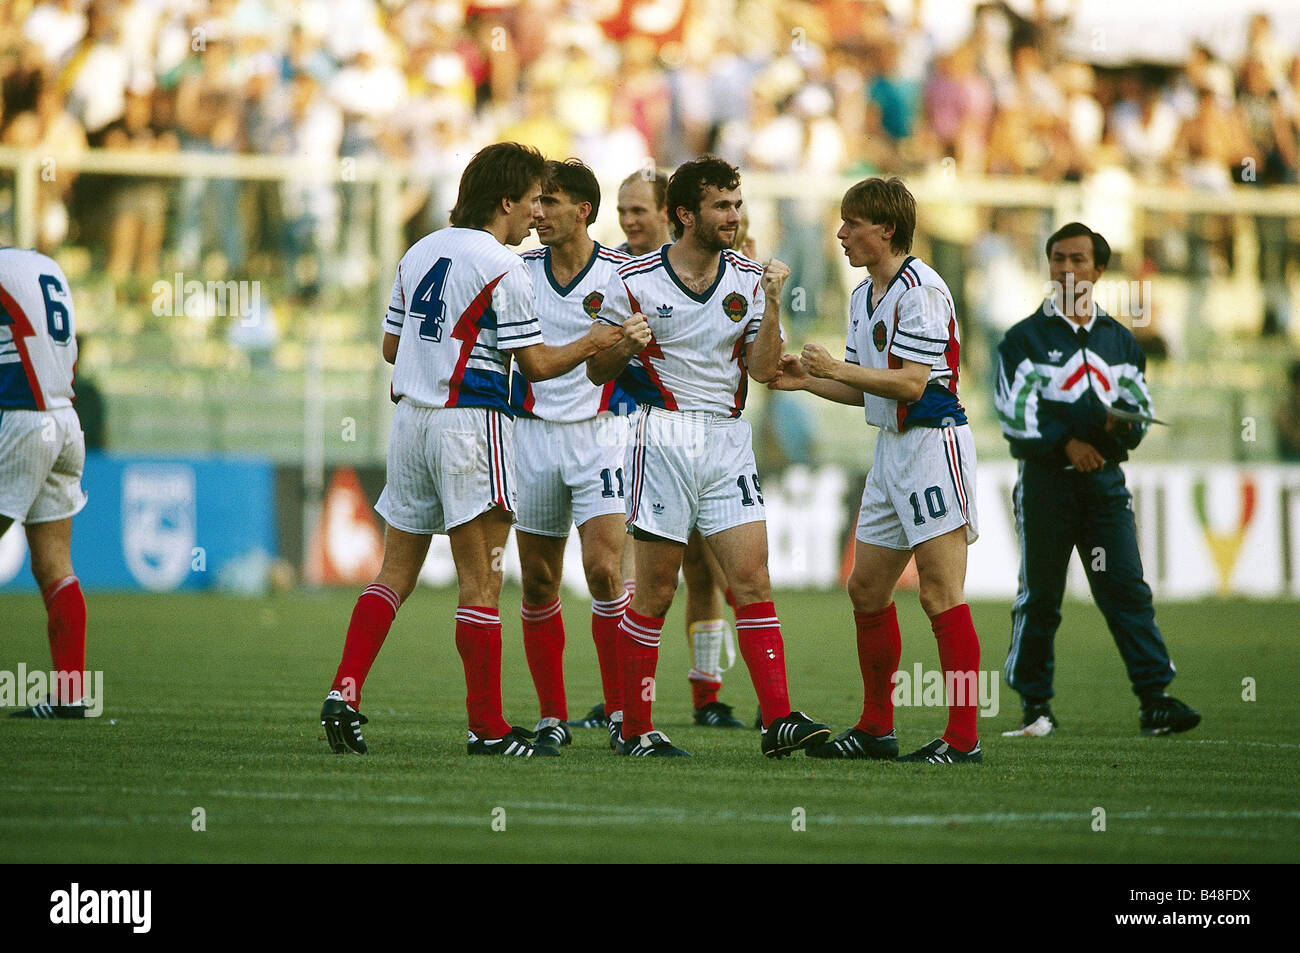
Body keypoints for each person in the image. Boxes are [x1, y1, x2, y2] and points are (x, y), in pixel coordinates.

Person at [318, 142, 632, 757]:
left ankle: (344, 692)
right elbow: (537, 366)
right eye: (532, 200)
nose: (535, 216)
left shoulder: (420, 250)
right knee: (480, 584)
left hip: (410, 422)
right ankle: (486, 726)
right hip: (471, 424)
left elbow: (391, 347)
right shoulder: (503, 265)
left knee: (394, 574)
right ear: (506, 201)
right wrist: (594, 342)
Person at [587, 154, 830, 758]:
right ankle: (635, 727)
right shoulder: (634, 279)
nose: (734, 216)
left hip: (726, 439)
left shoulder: (749, 279)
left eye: (736, 204)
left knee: (751, 579)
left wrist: (773, 305)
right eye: (721, 206)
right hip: (661, 437)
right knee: (657, 589)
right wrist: (623, 347)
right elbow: (595, 367)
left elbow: (764, 368)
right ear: (684, 214)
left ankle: (778, 720)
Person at [770, 176, 985, 764]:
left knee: (941, 595)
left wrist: (835, 368)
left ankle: (963, 738)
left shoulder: (923, 289)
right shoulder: (867, 295)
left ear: (885, 229)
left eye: (852, 223)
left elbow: (913, 383)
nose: (840, 234)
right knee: (866, 587)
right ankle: (875, 728)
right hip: (891, 450)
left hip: (933, 447)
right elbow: (867, 391)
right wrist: (808, 380)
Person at [994, 222, 1200, 737]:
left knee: (1126, 590)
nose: (1066, 269)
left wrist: (1118, 431)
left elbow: (1140, 409)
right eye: (1058, 259)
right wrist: (1069, 444)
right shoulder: (1022, 339)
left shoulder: (1121, 342)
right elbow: (1013, 415)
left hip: (1105, 485)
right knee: (1040, 596)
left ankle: (1155, 700)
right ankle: (1034, 706)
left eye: (1077, 260)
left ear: (1099, 270)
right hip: (1046, 485)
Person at [569, 166, 747, 733]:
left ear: (670, 214)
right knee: (629, 568)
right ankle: (622, 700)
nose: (628, 221)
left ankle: (706, 693)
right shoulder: (621, 274)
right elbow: (597, 359)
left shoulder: (705, 267)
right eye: (622, 211)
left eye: (638, 210)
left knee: (703, 568)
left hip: (693, 433)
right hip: (624, 431)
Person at [508, 159, 644, 752]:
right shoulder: (517, 272)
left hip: (601, 434)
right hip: (532, 434)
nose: (537, 213)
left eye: (551, 202)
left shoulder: (622, 273)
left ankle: (620, 713)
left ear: (583, 210)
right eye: (536, 203)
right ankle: (551, 716)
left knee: (604, 571)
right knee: (538, 580)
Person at [1, 246, 91, 719]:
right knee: (54, 565)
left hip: (22, 419)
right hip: (65, 420)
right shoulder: (45, 265)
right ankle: (71, 695)